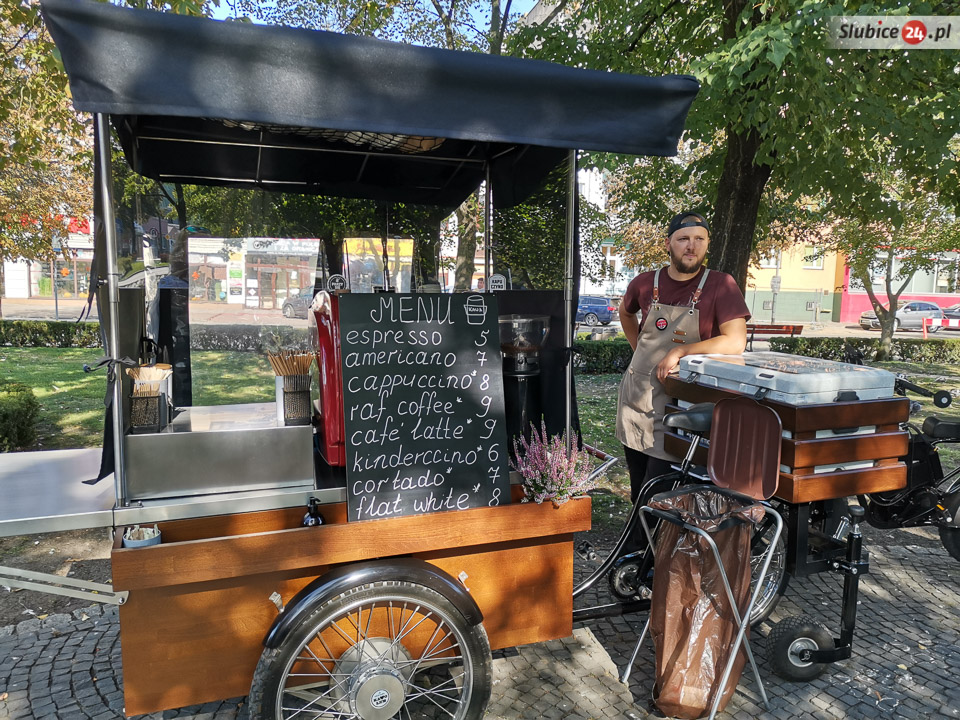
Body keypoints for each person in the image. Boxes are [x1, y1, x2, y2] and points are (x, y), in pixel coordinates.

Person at [616, 211, 750, 502]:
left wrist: (681, 350)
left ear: (707, 244)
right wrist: (637, 347)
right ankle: (640, 545)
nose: (691, 246)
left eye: (699, 239)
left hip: (682, 405)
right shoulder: (642, 283)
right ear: (668, 244)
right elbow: (625, 312)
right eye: (683, 239)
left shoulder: (721, 285)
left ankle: (656, 544)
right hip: (637, 398)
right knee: (639, 487)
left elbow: (736, 340)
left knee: (661, 490)